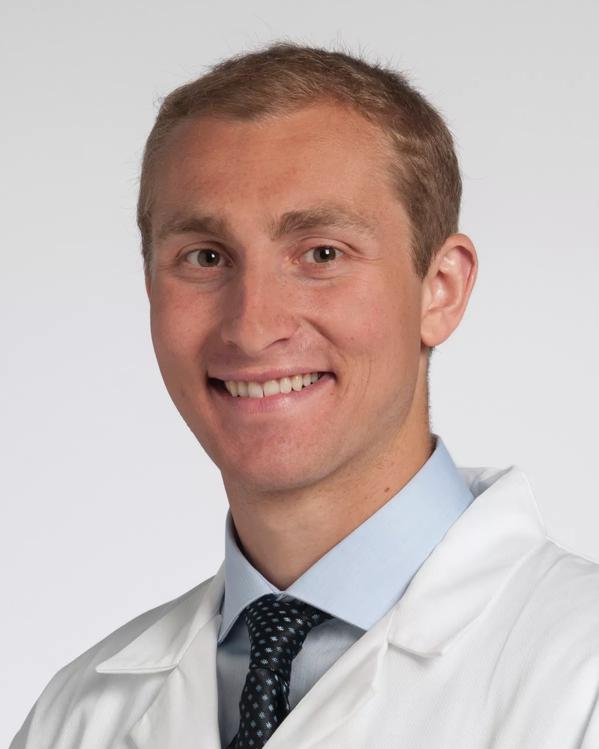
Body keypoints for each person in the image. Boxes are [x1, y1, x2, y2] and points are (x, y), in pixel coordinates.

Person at [10, 41, 599, 749]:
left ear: (439, 290)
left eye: (322, 253)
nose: (252, 326)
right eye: (204, 257)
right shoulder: (76, 717)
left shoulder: (579, 679)